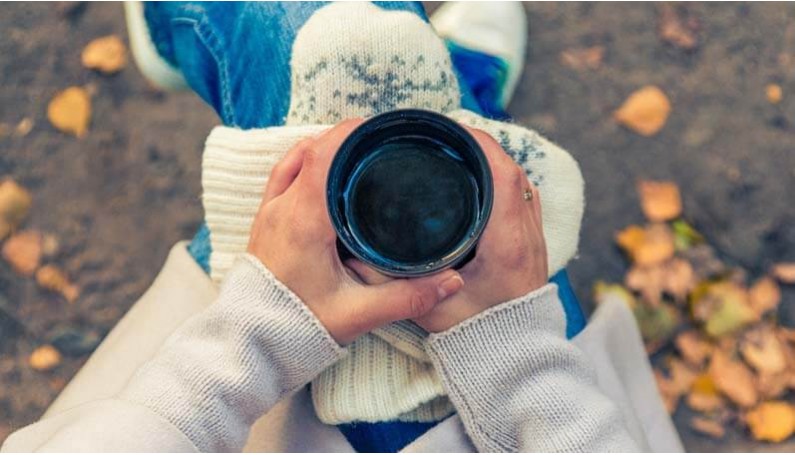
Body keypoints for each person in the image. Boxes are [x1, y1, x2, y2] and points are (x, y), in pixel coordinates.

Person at [2, 2, 682, 452]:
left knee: (312, 23)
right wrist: (517, 364)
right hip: (547, 416)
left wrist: (261, 332)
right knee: (427, 114)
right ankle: (470, 86)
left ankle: (170, 30)